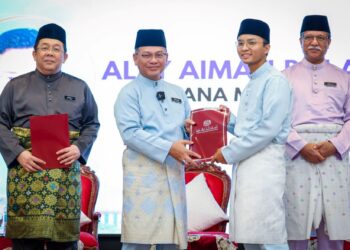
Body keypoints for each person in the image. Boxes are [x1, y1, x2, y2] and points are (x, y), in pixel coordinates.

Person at [0, 23, 100, 249]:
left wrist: (78, 149)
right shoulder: (15, 86)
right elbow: (1, 123)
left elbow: (92, 124)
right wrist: (19, 153)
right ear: (34, 53)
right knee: (25, 243)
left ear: (65, 56)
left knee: (64, 242)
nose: (50, 53)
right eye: (44, 47)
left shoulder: (80, 87)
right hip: (26, 170)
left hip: (65, 173)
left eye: (56, 49)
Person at [114, 29, 200, 250]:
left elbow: (187, 134)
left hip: (173, 175)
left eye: (159, 54)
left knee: (170, 241)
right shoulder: (129, 93)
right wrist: (170, 148)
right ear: (135, 58)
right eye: (146, 55)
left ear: (167, 57)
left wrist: (190, 131)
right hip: (144, 180)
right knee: (137, 242)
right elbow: (131, 133)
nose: (154, 60)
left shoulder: (178, 92)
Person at [211, 18, 292, 250]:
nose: (245, 48)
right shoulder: (254, 80)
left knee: (268, 234)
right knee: (250, 235)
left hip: (264, 166)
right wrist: (227, 121)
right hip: (248, 165)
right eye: (240, 42)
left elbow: (268, 130)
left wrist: (228, 152)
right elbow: (250, 129)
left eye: (252, 42)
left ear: (266, 48)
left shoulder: (275, 81)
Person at [283, 15, 350, 250]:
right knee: (295, 221)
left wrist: (336, 144)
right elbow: (278, 121)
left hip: (335, 155)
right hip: (297, 154)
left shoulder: (344, 77)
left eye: (320, 38)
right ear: (300, 41)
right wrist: (301, 146)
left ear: (329, 42)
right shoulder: (283, 78)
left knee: (332, 225)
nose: (314, 42)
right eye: (308, 37)